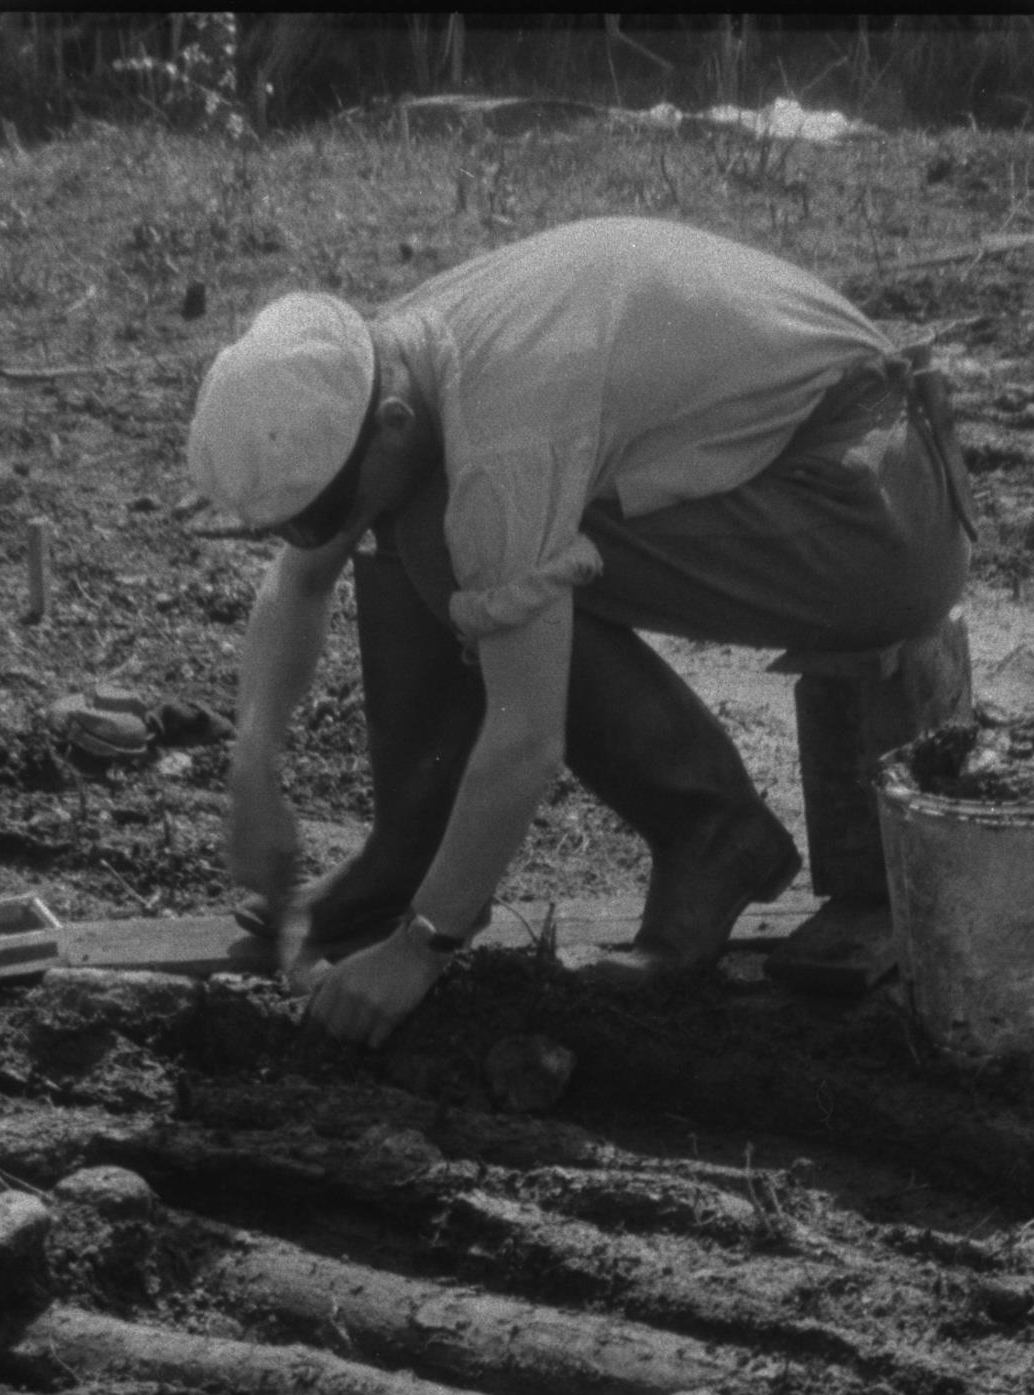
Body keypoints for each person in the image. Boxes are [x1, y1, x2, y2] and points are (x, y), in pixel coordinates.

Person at [181, 217, 975, 1050]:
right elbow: (300, 579)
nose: (319, 536)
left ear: (391, 417)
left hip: (880, 516)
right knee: (426, 517)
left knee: (443, 536)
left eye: (323, 513)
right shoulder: (395, 360)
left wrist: (421, 950)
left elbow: (526, 738)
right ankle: (409, 853)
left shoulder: (504, 427)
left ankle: (711, 831)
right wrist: (251, 768)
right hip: (812, 461)